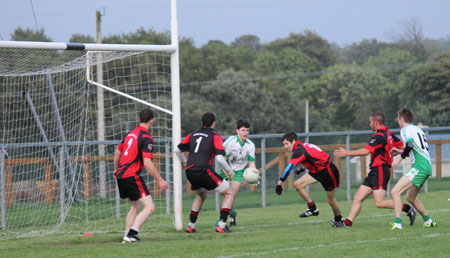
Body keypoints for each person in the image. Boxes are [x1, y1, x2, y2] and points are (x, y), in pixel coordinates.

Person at [331, 111, 415, 228]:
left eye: (370, 122)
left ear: (375, 123)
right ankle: (347, 223)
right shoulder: (389, 134)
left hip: (380, 170)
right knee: (358, 197)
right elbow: (402, 146)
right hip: (375, 170)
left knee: (379, 203)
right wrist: (395, 153)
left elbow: (366, 151)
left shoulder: (379, 136)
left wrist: (346, 153)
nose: (369, 124)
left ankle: (408, 208)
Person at [113, 108, 169, 243]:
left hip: (122, 175)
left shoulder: (129, 134)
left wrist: (116, 169)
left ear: (139, 119)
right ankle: (131, 234)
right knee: (150, 207)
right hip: (132, 175)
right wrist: (160, 180)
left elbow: (117, 153)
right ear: (152, 121)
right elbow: (148, 163)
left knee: (135, 206)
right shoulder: (146, 138)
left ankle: (127, 235)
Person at [175, 112, 236, 234]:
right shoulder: (215, 136)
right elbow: (219, 159)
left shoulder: (193, 134)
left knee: (201, 195)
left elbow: (177, 149)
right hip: (203, 170)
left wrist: (184, 161)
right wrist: (229, 171)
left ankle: (190, 226)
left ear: (201, 123)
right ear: (214, 123)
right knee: (230, 193)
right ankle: (222, 225)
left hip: (190, 171)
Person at [275, 132, 343, 224]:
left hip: (328, 171)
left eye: (287, 144)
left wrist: (279, 183)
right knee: (297, 184)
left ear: (294, 141)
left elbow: (289, 168)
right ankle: (313, 209)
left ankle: (339, 219)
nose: (285, 146)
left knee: (330, 200)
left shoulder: (299, 150)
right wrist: (302, 169)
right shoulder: (303, 146)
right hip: (318, 171)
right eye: (284, 144)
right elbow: (315, 157)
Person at [390, 108, 437, 229]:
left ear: (401, 119)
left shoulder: (405, 129)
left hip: (419, 166)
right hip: (426, 166)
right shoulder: (418, 129)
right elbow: (415, 147)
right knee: (410, 197)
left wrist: (400, 158)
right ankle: (428, 221)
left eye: (398, 119)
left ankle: (397, 224)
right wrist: (400, 150)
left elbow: (410, 145)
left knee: (395, 192)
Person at [217, 119, 257, 227]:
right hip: (226, 170)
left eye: (247, 130)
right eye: (243, 130)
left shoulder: (250, 145)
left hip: (239, 172)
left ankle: (220, 220)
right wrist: (227, 173)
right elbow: (222, 159)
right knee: (226, 195)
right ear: (237, 131)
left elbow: (251, 163)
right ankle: (232, 213)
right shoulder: (230, 142)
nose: (245, 133)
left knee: (232, 194)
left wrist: (252, 175)